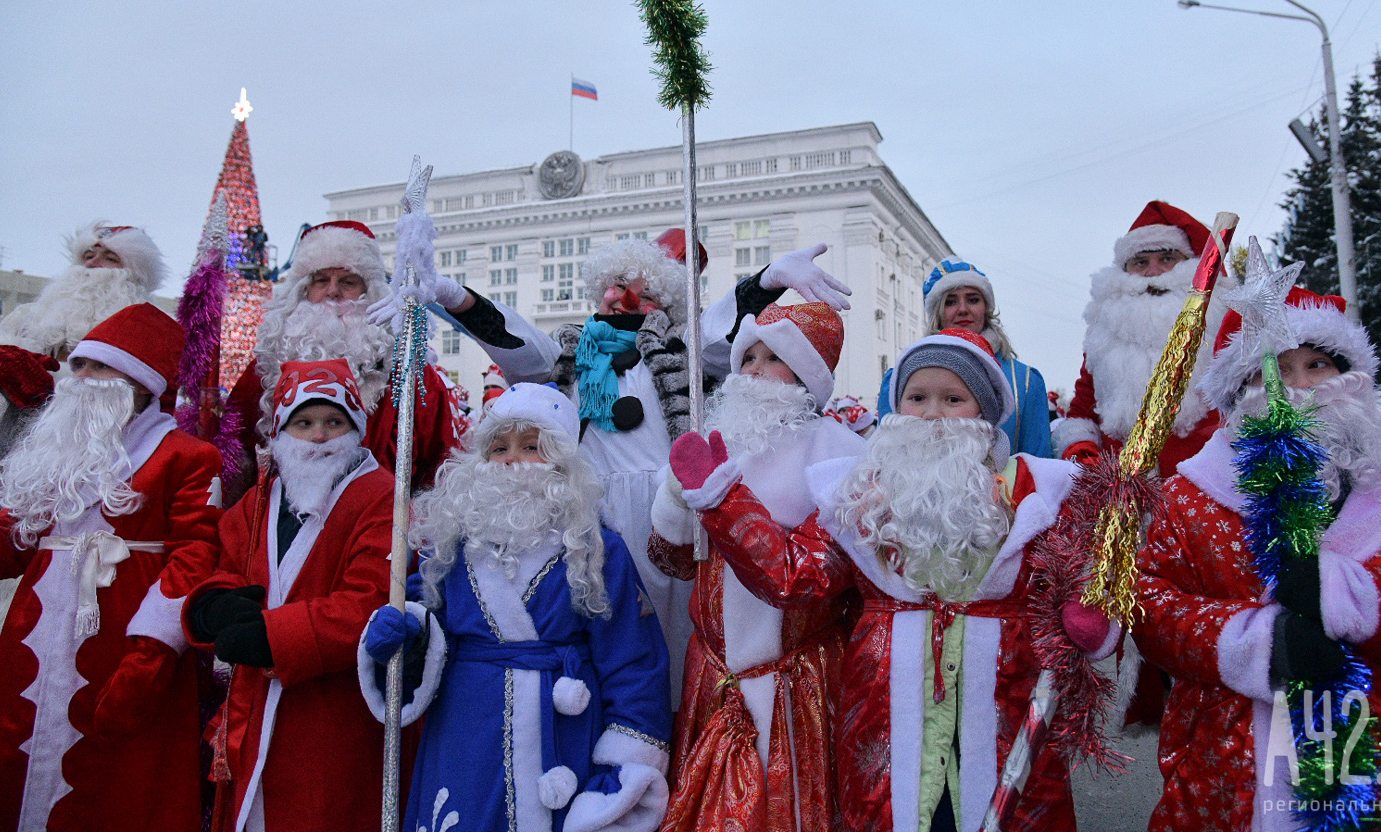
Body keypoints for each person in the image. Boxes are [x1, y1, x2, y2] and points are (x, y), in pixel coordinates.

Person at [675, 329, 1115, 832]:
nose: (930, 414)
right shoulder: (861, 494)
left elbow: (1078, 581)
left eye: (953, 399)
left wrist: (1093, 616)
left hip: (1003, 713)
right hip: (890, 716)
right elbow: (796, 577)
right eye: (916, 398)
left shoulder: (1037, 494)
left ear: (985, 414)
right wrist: (725, 500)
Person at [1135, 287, 1381, 829]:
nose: (1296, 385)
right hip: (1228, 778)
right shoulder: (1190, 497)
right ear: (1239, 394)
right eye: (1270, 370)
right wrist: (1259, 643)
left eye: (1317, 364)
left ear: (1353, 377)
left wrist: (1361, 599)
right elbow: (1150, 608)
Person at [447, 229, 850, 696]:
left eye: (639, 291)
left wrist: (769, 280)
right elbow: (509, 336)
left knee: (674, 637)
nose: (620, 299)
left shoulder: (683, 350)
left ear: (664, 304)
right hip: (591, 515)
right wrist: (453, 296)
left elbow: (720, 326)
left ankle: (674, 727)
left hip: (667, 513)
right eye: (613, 287)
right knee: (601, 629)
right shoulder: (569, 355)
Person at [360, 382, 673, 832]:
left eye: (531, 447)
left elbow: (633, 663)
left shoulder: (599, 550)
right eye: (499, 448)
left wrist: (623, 767)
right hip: (466, 734)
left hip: (563, 739)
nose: (511, 460)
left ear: (563, 465)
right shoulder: (449, 548)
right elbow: (424, 625)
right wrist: (406, 635)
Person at [0, 303, 222, 832]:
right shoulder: (55, 449)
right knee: (14, 755)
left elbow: (195, 555)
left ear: (139, 384)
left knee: (118, 783)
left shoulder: (187, 456)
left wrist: (152, 652)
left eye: (100, 367)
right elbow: (8, 541)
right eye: (79, 366)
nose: (81, 380)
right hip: (35, 636)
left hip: (124, 640)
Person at [648, 302, 866, 832]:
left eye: (774, 359)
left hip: (796, 684)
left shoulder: (842, 454)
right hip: (714, 678)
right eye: (748, 357)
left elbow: (805, 580)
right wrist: (676, 505)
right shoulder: (717, 438)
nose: (753, 372)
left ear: (806, 377)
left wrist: (722, 498)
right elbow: (675, 564)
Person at [183, 358, 395, 832]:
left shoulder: (382, 497)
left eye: (333, 422)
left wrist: (276, 636)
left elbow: (374, 600)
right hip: (253, 708)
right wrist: (212, 608)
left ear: (356, 427)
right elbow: (227, 570)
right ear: (280, 431)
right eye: (303, 423)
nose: (318, 436)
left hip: (335, 712)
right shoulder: (256, 501)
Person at [227, 220, 466, 493]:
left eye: (348, 281)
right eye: (320, 280)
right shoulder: (267, 367)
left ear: (371, 292)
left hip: (379, 524)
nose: (332, 291)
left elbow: (441, 465)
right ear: (302, 289)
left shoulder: (411, 374)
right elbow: (233, 454)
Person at [1052, 201, 1231, 478]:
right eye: (1141, 262)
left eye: (1167, 259)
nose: (1153, 272)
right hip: (1122, 491)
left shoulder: (1223, 325)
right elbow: (1083, 408)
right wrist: (1082, 451)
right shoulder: (1105, 334)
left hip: (1206, 486)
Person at [0, 222, 166, 453]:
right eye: (88, 255)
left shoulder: (149, 331)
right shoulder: (26, 316)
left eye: (110, 259)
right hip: (12, 445)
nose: (91, 263)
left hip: (100, 448)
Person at [876, 256, 1052, 458]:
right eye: (950, 302)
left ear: (986, 308)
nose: (962, 309)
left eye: (972, 299)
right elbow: (886, 458)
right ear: (937, 312)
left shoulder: (1026, 380)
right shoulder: (898, 380)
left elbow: (1040, 465)